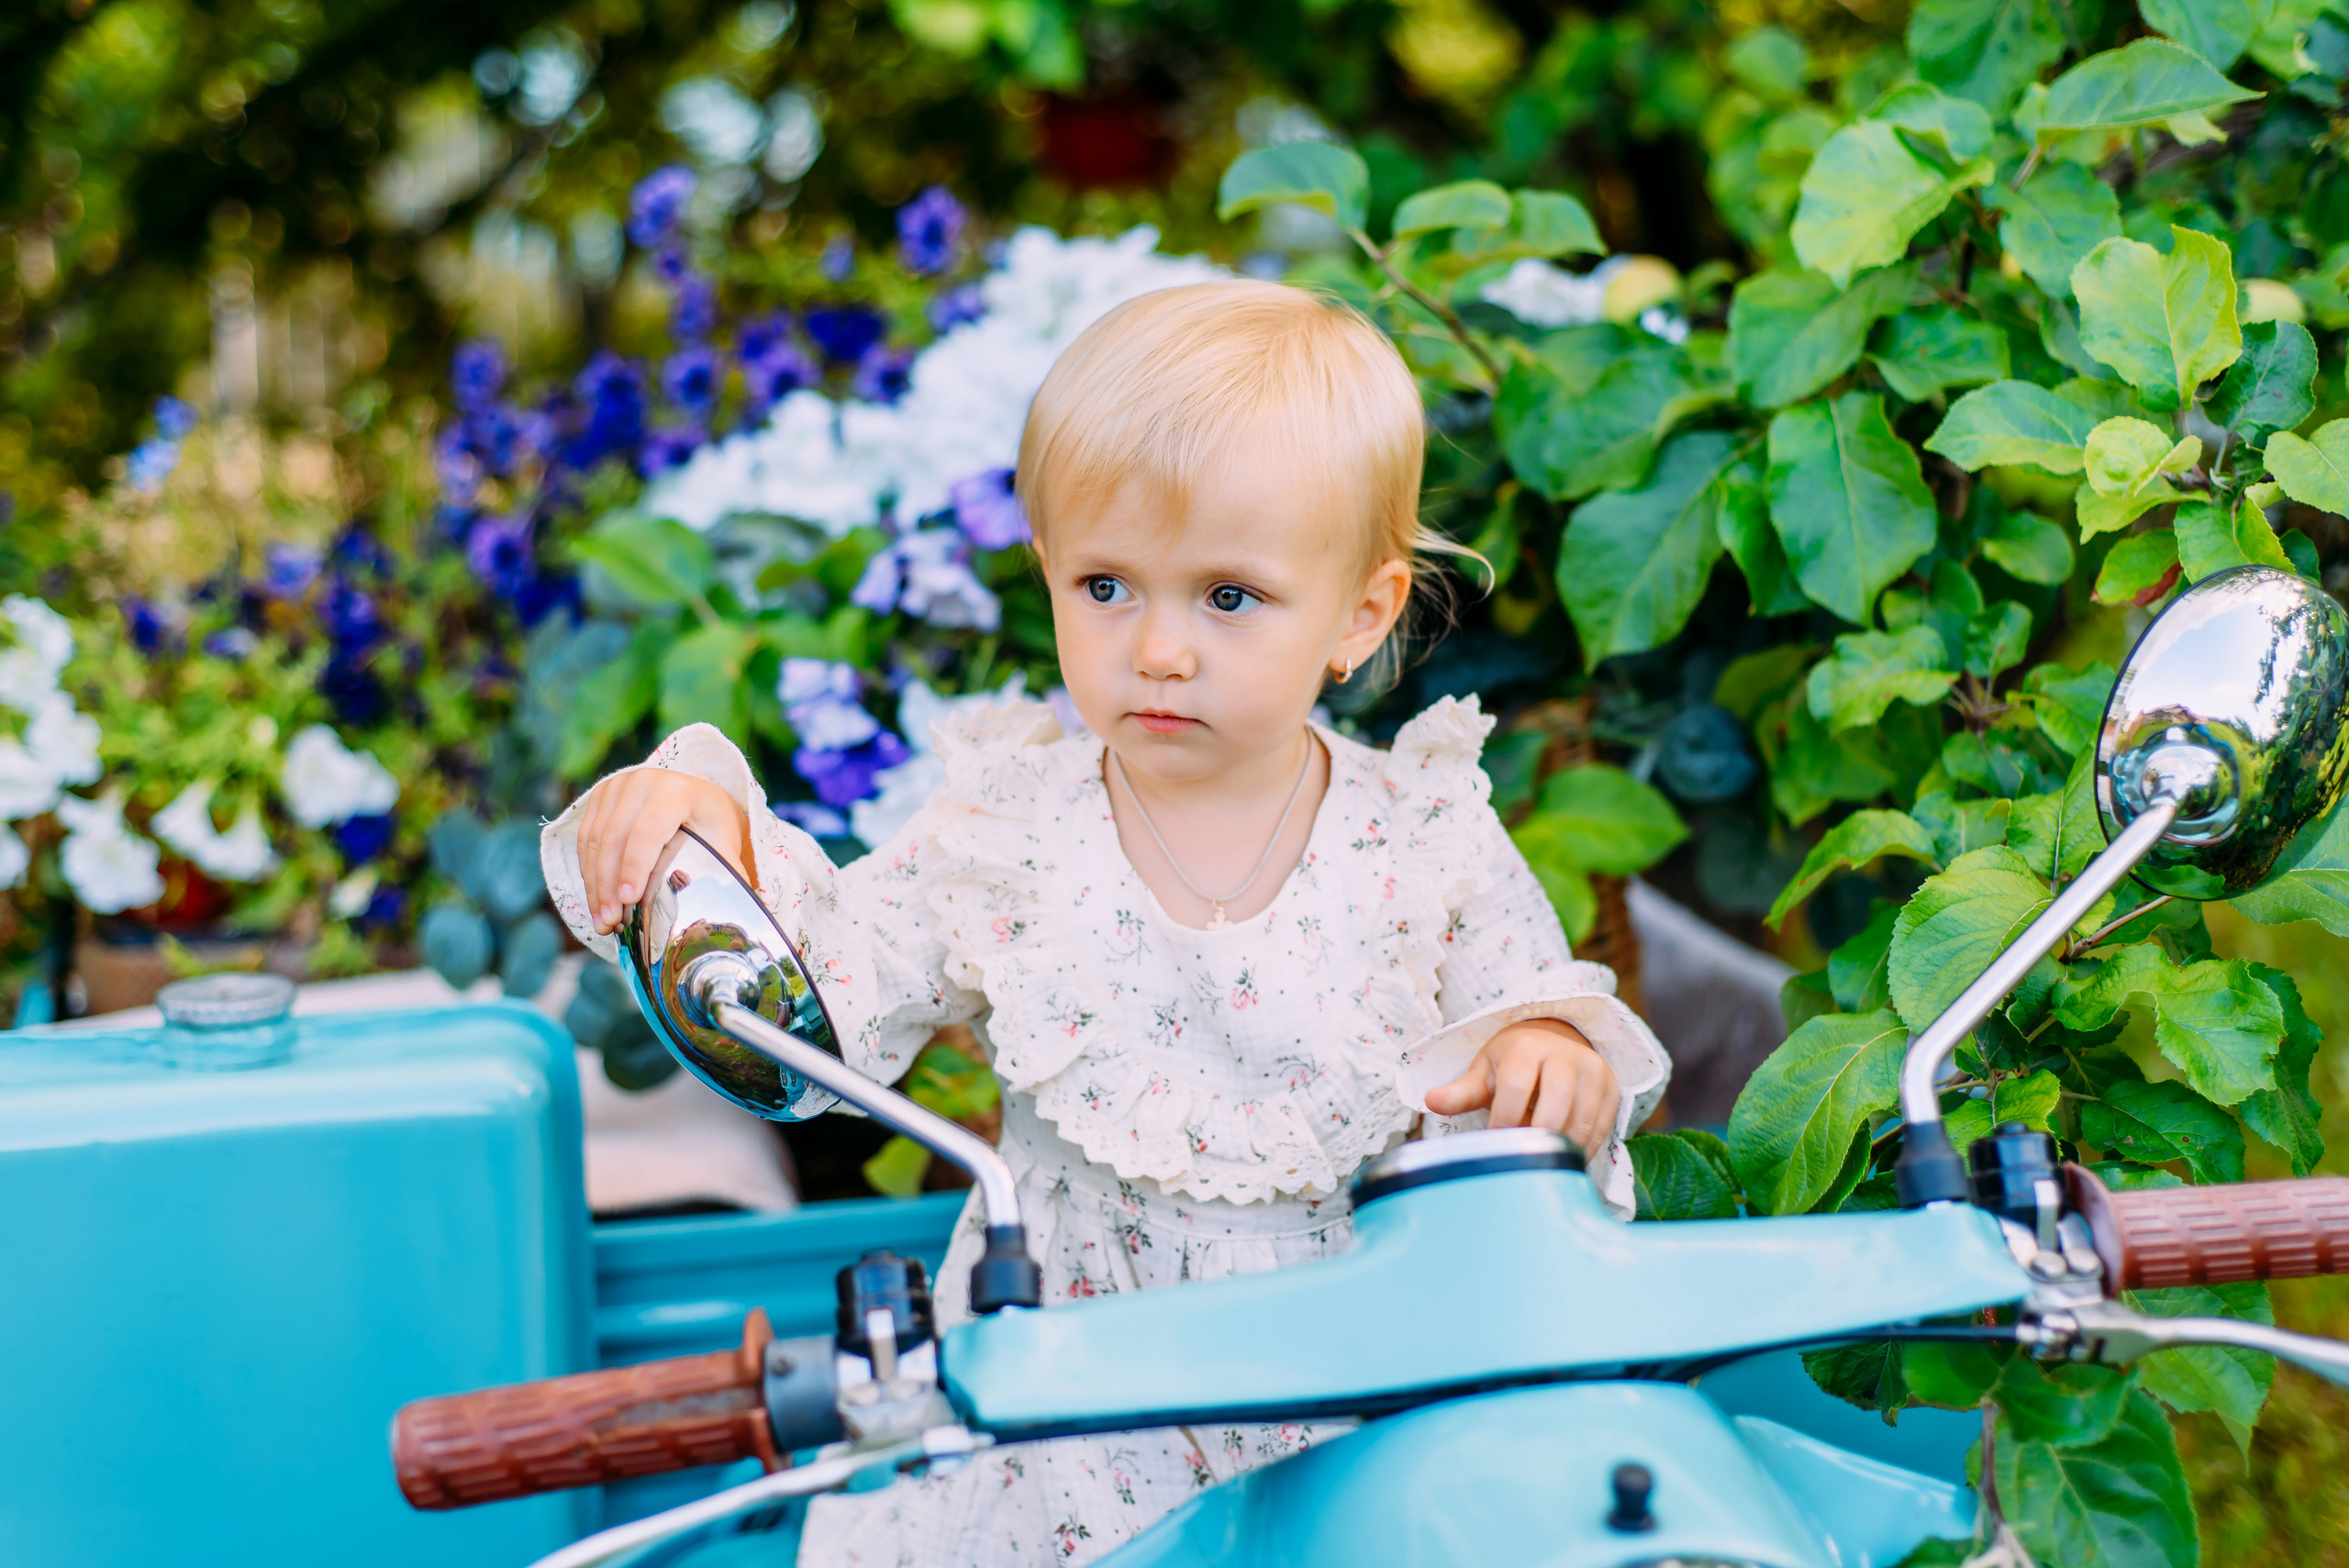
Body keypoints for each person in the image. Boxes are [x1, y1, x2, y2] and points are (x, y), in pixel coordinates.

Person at [542, 279, 1670, 1565]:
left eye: (1229, 597)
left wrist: (1552, 1059)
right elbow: (825, 1005)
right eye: (1107, 585)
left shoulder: (1421, 834)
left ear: (1359, 613)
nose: (1160, 649)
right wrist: (697, 827)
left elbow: (1527, 1011)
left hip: (1358, 1403)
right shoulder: (1008, 825)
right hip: (1073, 1426)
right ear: (1049, 575)